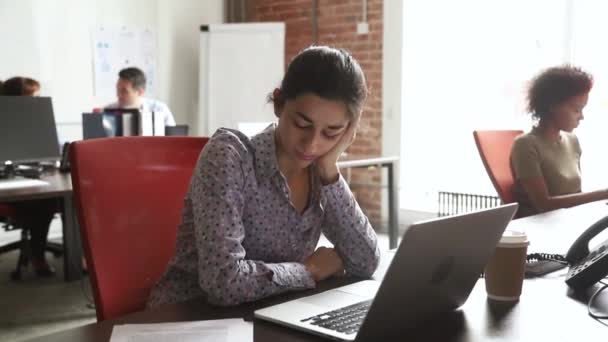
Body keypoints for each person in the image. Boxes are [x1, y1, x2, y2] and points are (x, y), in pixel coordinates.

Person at [147, 46, 380, 307]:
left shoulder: (319, 173)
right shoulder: (230, 156)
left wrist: (329, 168)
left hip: (270, 315)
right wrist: (308, 271)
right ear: (279, 103)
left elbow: (365, 261)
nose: (311, 145)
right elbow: (223, 281)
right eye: (302, 124)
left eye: (331, 133)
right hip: (189, 318)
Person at [511, 65, 608, 217]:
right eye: (576, 109)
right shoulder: (525, 145)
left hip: (568, 222)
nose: (581, 116)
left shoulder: (572, 140)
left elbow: (576, 194)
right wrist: (603, 194)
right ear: (552, 105)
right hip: (539, 228)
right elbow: (543, 204)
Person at [1, 76, 58, 277]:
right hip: (8, 190)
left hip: (33, 182)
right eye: (33, 98)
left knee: (62, 199)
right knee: (43, 204)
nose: (38, 103)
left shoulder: (36, 126)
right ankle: (38, 256)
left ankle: (79, 258)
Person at [104, 67, 176, 126]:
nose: (118, 95)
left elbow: (172, 140)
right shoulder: (109, 111)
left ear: (140, 92)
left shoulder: (160, 109)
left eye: (124, 91)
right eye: (118, 89)